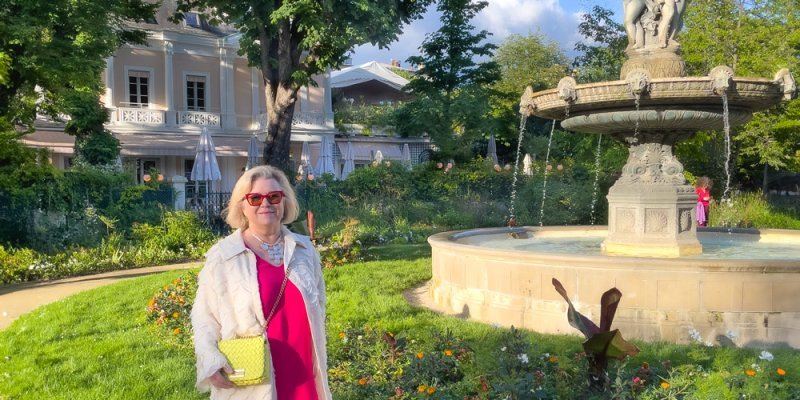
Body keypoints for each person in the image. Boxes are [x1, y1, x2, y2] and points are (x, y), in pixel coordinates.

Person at [191, 165, 330, 399]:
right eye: (255, 198)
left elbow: (319, 302)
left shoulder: (304, 249)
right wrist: (210, 360)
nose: (265, 203)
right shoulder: (224, 255)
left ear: (284, 202)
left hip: (304, 369)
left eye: (274, 196)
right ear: (243, 206)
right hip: (253, 374)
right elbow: (204, 316)